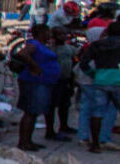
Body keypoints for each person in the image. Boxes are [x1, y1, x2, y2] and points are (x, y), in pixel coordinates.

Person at [15, 24, 60, 151]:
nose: (50, 35)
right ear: (42, 32)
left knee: (33, 113)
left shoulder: (42, 45)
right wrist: (35, 66)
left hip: (41, 82)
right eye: (48, 32)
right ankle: (24, 142)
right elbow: (23, 54)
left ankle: (28, 140)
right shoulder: (34, 44)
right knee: (30, 112)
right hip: (34, 81)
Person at [78, 21, 120, 153]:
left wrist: (94, 74)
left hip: (100, 80)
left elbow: (84, 63)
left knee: (97, 112)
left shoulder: (96, 45)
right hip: (118, 80)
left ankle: (95, 144)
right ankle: (105, 138)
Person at [46, 27, 78, 140]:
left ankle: (64, 126)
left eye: (64, 34)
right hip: (53, 80)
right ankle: (50, 130)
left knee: (65, 104)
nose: (63, 36)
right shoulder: (49, 49)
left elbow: (75, 62)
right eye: (60, 34)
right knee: (51, 106)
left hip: (66, 79)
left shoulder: (70, 49)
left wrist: (73, 80)